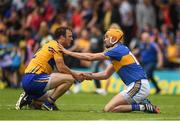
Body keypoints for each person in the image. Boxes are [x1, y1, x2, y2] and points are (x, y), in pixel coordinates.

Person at [59, 28, 160, 113]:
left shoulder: (117, 50)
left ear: (113, 39)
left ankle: (143, 106)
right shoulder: (119, 52)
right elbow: (105, 74)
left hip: (138, 85)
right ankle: (143, 104)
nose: (104, 39)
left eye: (107, 37)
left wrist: (68, 52)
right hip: (138, 85)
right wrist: (86, 76)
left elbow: (90, 57)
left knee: (109, 109)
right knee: (110, 109)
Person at [15, 27, 83, 111]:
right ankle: (49, 103)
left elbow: (59, 70)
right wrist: (76, 75)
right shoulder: (56, 46)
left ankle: (29, 99)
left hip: (29, 79)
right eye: (69, 36)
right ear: (62, 37)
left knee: (41, 102)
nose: (72, 39)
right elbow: (61, 68)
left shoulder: (50, 44)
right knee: (70, 79)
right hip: (34, 79)